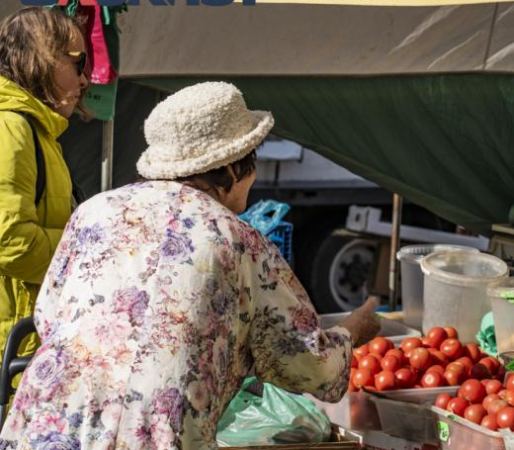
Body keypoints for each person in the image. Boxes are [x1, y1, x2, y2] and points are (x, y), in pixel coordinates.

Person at [0, 82, 381, 449]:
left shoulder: (94, 212)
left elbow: (49, 317)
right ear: (233, 168)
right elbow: (310, 366)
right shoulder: (237, 240)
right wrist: (352, 330)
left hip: (41, 430)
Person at [0, 7, 88, 359]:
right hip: (12, 351)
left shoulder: (37, 132)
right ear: (42, 59)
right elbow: (12, 243)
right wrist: (85, 243)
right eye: (78, 64)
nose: (85, 80)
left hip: (25, 344)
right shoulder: (12, 128)